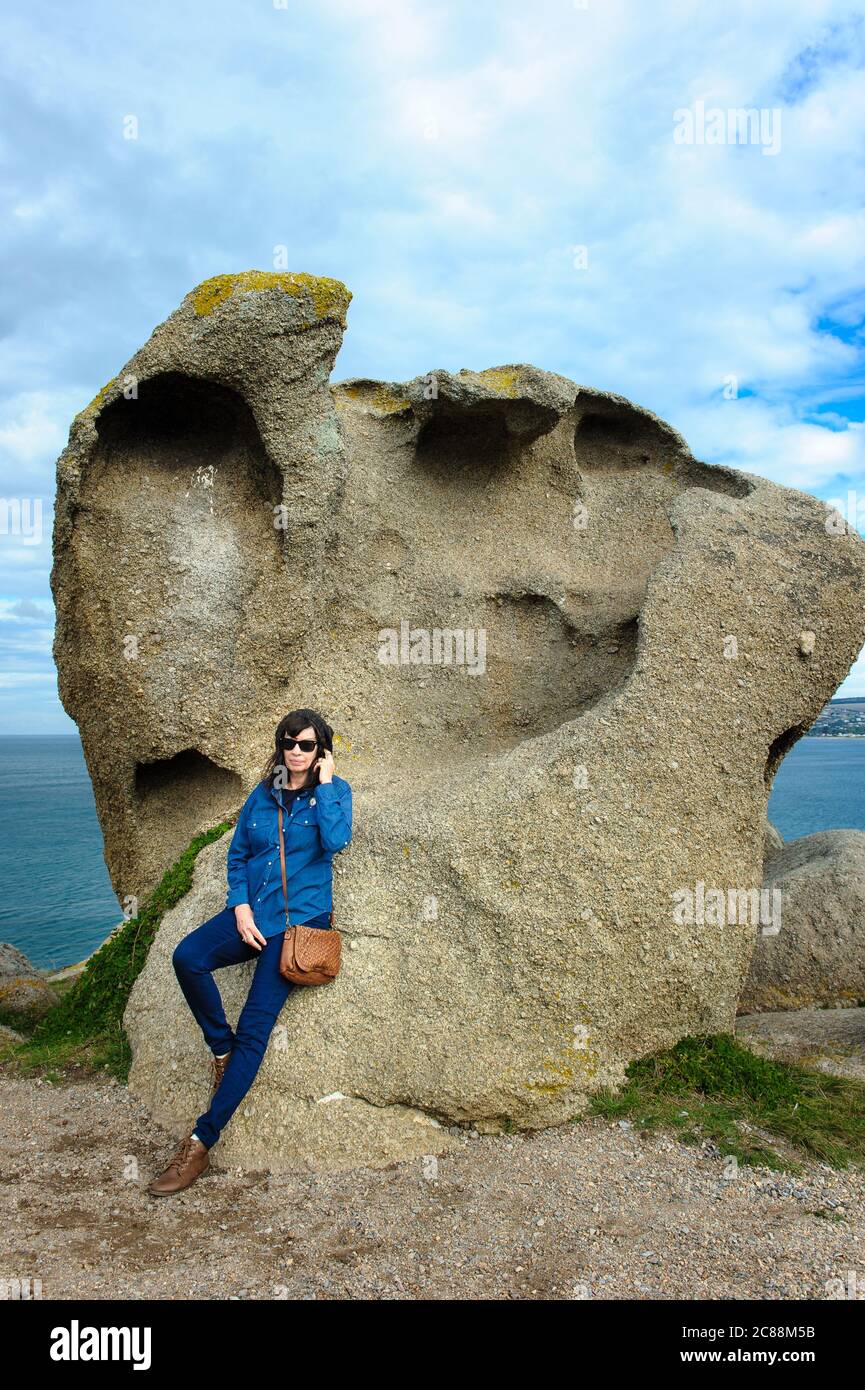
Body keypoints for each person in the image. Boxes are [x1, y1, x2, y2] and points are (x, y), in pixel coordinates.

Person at [147, 708, 352, 1196]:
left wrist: (324, 785)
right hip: (252, 915)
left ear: (321, 748)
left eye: (306, 744)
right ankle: (221, 1048)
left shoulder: (335, 792)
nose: (296, 752)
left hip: (298, 923)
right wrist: (238, 908)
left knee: (255, 1032)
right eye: (289, 742)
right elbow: (237, 855)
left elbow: (337, 840)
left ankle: (200, 1142)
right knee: (187, 957)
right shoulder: (263, 794)